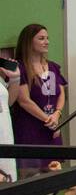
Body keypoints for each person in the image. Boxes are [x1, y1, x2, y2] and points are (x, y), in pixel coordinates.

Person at [10, 23, 67, 172]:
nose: (46, 42)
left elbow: (61, 93)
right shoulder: (20, 67)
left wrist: (57, 114)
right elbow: (24, 101)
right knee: (31, 175)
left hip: (51, 127)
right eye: (41, 38)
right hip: (30, 128)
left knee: (54, 173)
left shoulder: (53, 67)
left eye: (47, 38)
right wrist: (47, 119)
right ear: (29, 41)